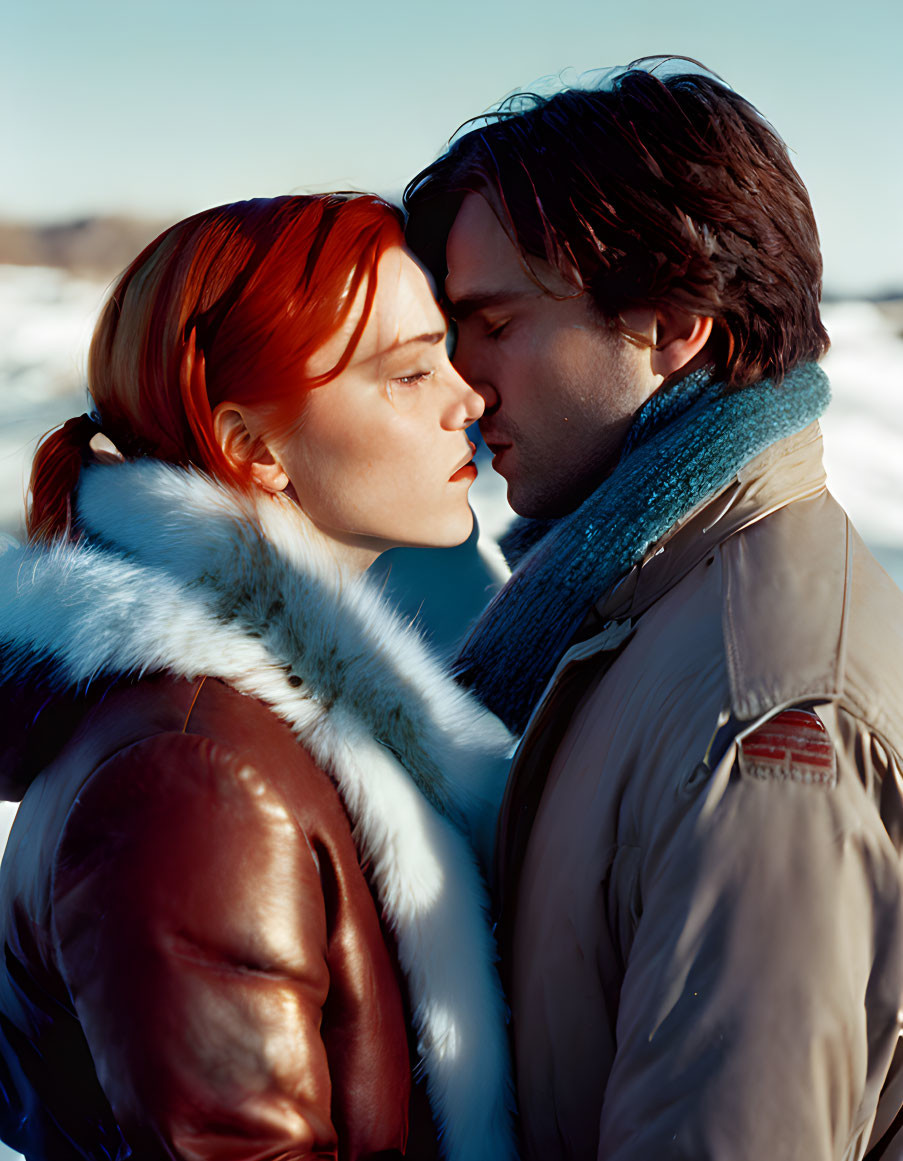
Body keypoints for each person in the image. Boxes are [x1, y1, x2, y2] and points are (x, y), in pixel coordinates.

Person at [404, 59, 903, 1161]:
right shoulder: (622, 605)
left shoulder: (762, 711)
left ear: (671, 323)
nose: (458, 380)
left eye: (496, 323)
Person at [0, 194, 518, 1161]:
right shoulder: (194, 778)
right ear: (253, 449)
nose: (469, 398)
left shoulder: (284, 721)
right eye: (409, 372)